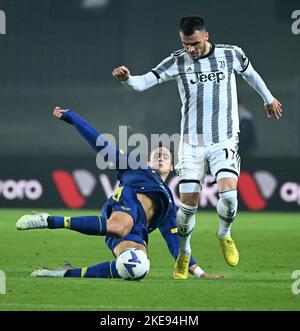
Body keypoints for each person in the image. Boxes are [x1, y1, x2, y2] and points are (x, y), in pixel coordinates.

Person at [112, 16, 283, 279]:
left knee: (229, 195)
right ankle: (183, 254)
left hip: (224, 138)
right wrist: (127, 78)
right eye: (185, 44)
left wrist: (268, 98)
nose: (190, 49)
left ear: (205, 36)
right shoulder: (177, 61)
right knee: (188, 204)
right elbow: (145, 81)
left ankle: (224, 234)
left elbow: (251, 75)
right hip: (192, 143)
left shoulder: (231, 54)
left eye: (194, 43)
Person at [16, 107, 223, 280]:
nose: (160, 158)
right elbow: (102, 145)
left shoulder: (169, 202)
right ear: (148, 161)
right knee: (120, 227)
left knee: (135, 268)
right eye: (156, 155)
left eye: (165, 156)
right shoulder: (135, 168)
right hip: (125, 203)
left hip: (137, 229)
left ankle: (65, 273)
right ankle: (48, 220)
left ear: (172, 166)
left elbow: (174, 241)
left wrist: (199, 273)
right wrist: (73, 118)